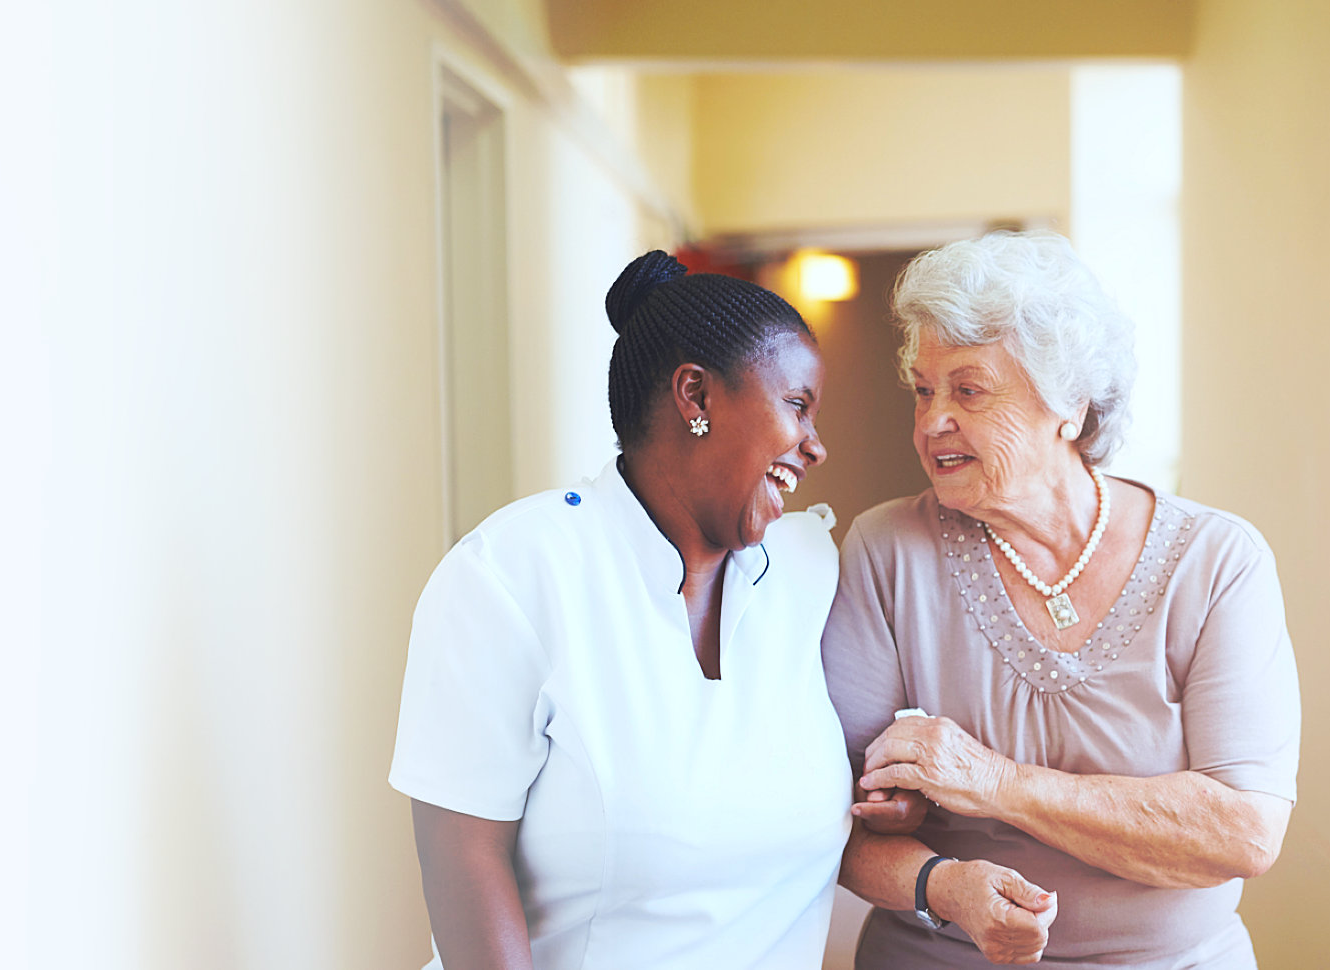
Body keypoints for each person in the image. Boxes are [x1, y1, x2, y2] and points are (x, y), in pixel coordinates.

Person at [391, 249, 999, 970]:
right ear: (695, 396)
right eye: (797, 406)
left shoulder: (808, 569)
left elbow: (816, 777)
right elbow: (463, 864)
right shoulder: (512, 575)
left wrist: (883, 801)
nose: (816, 445)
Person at [822, 230, 1301, 969]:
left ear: (1069, 405)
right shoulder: (886, 550)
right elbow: (822, 816)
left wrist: (993, 782)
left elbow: (1243, 831)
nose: (931, 421)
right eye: (924, 389)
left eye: (969, 390)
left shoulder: (1216, 562)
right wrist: (940, 883)